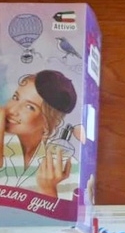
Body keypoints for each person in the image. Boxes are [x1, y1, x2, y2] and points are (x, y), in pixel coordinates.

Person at [0, 69, 78, 199]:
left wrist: (48, 190)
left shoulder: (64, 164)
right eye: (15, 97)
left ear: (47, 122)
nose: (12, 110)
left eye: (29, 107)